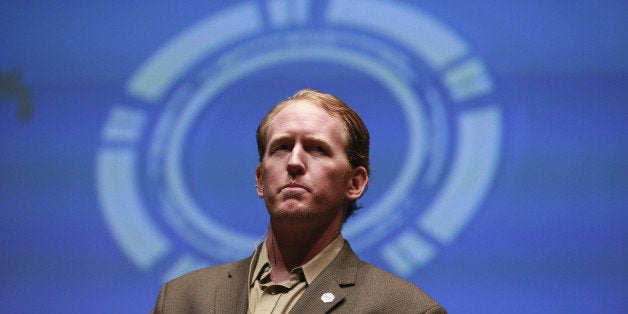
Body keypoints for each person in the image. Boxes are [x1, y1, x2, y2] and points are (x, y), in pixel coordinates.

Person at [151, 88, 446, 313]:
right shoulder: (181, 299)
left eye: (317, 149)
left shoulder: (405, 309)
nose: (294, 162)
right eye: (281, 148)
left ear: (355, 183)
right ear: (260, 180)